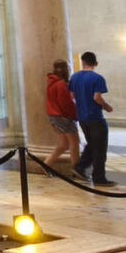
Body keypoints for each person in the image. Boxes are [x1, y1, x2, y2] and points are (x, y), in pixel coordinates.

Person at [68, 52, 116, 187]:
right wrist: (107, 107)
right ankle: (99, 177)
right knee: (100, 148)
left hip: (82, 117)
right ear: (96, 63)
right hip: (95, 116)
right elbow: (97, 97)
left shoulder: (74, 77)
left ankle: (79, 167)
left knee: (92, 144)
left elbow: (72, 96)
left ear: (82, 62)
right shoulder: (97, 78)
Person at [42, 59, 79, 173]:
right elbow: (66, 104)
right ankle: (77, 169)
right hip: (62, 116)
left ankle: (46, 164)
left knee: (64, 145)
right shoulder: (61, 84)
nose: (69, 69)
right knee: (75, 143)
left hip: (54, 116)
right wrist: (75, 115)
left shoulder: (51, 82)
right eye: (68, 67)